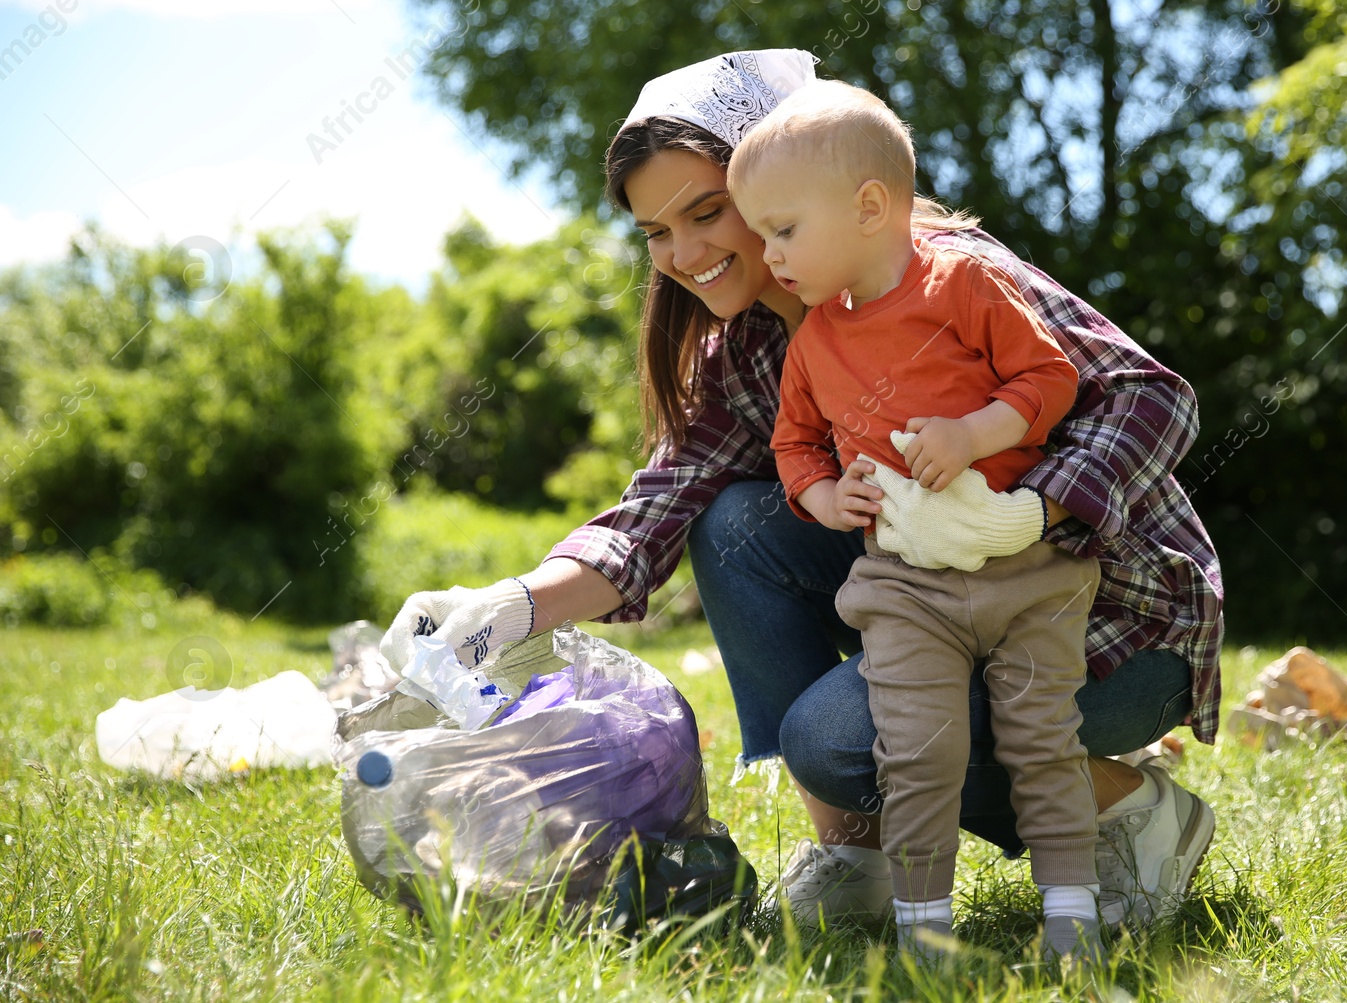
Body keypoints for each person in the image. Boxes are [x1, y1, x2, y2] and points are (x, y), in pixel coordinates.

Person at [378, 49, 1222, 936]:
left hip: (1110, 625)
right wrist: (505, 609)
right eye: (656, 233)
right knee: (734, 521)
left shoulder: (949, 273)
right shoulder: (741, 352)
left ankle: (1133, 814)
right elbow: (653, 511)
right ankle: (854, 854)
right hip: (946, 614)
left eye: (708, 212)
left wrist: (1028, 509)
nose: (684, 254)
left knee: (838, 741)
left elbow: (1149, 396)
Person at [728, 79, 1105, 964]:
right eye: (762, 234)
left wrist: (974, 432)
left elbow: (1051, 381)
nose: (769, 254)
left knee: (1042, 744)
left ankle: (1073, 917)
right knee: (917, 754)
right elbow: (795, 446)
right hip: (903, 586)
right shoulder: (816, 339)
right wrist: (824, 498)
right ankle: (924, 928)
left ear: (869, 207)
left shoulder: (966, 281)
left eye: (784, 229)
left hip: (1028, 569)